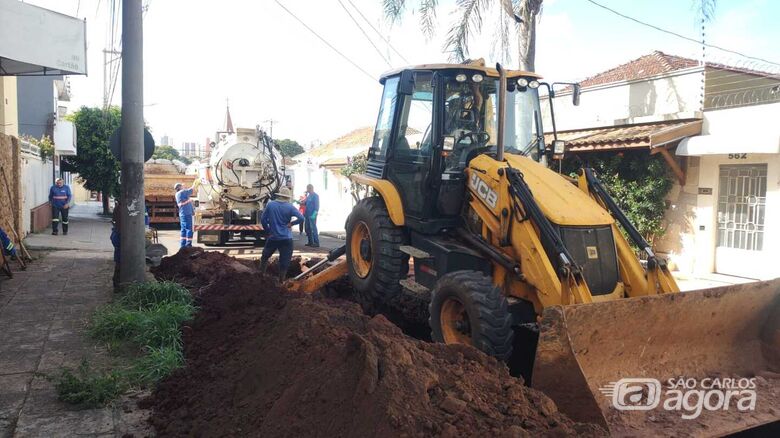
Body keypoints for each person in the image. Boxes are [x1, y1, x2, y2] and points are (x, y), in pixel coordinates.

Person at [259, 187, 304, 282]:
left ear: (279, 195)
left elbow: (263, 220)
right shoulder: (290, 207)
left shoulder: (271, 205)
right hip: (286, 238)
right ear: (287, 197)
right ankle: (281, 281)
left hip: (273, 237)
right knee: (284, 261)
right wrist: (291, 224)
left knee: (265, 256)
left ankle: (261, 276)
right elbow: (301, 218)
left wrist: (268, 231)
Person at [174, 179, 201, 248]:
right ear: (179, 187)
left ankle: (183, 245)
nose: (183, 187)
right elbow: (191, 190)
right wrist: (195, 183)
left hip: (182, 214)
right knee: (189, 229)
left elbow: (187, 201)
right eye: (181, 186)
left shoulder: (177, 194)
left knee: (183, 229)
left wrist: (193, 211)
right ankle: (188, 245)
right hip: (187, 214)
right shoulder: (182, 192)